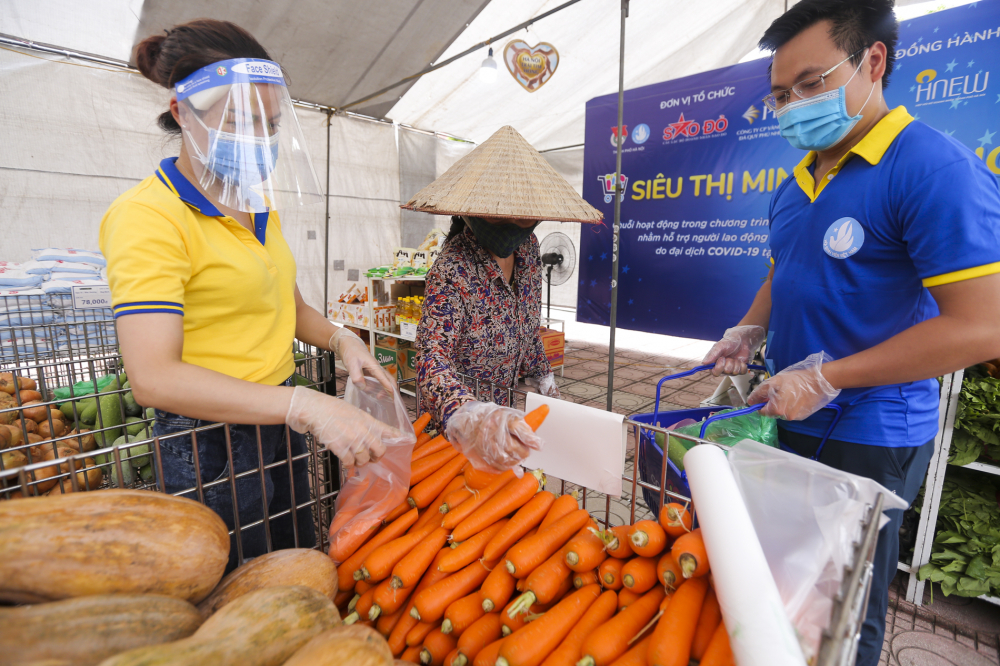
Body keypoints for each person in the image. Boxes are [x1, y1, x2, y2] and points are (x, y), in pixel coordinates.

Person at [702, 2, 1000, 663]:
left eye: (811, 84)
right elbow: (786, 274)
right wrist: (749, 330)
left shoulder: (930, 169)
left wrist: (827, 377)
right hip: (791, 415)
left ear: (873, 61)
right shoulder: (799, 180)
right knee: (786, 586)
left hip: (872, 433)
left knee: (847, 604)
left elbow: (983, 328)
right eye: (781, 95)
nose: (794, 106)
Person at [101, 20, 405, 571]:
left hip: (278, 420)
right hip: (207, 440)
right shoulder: (147, 217)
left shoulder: (258, 204)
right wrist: (307, 405)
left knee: (290, 564)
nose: (258, 140)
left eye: (269, 125)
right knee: (229, 583)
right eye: (240, 122)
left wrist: (343, 342)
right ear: (181, 111)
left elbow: (289, 309)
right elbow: (153, 377)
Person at [405, 125, 602, 472]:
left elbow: (526, 323)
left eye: (521, 214)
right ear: (474, 209)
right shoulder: (453, 269)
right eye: (499, 214)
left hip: (506, 416)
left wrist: (544, 376)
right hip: (455, 433)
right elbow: (430, 358)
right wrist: (467, 413)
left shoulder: (528, 249)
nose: (512, 223)